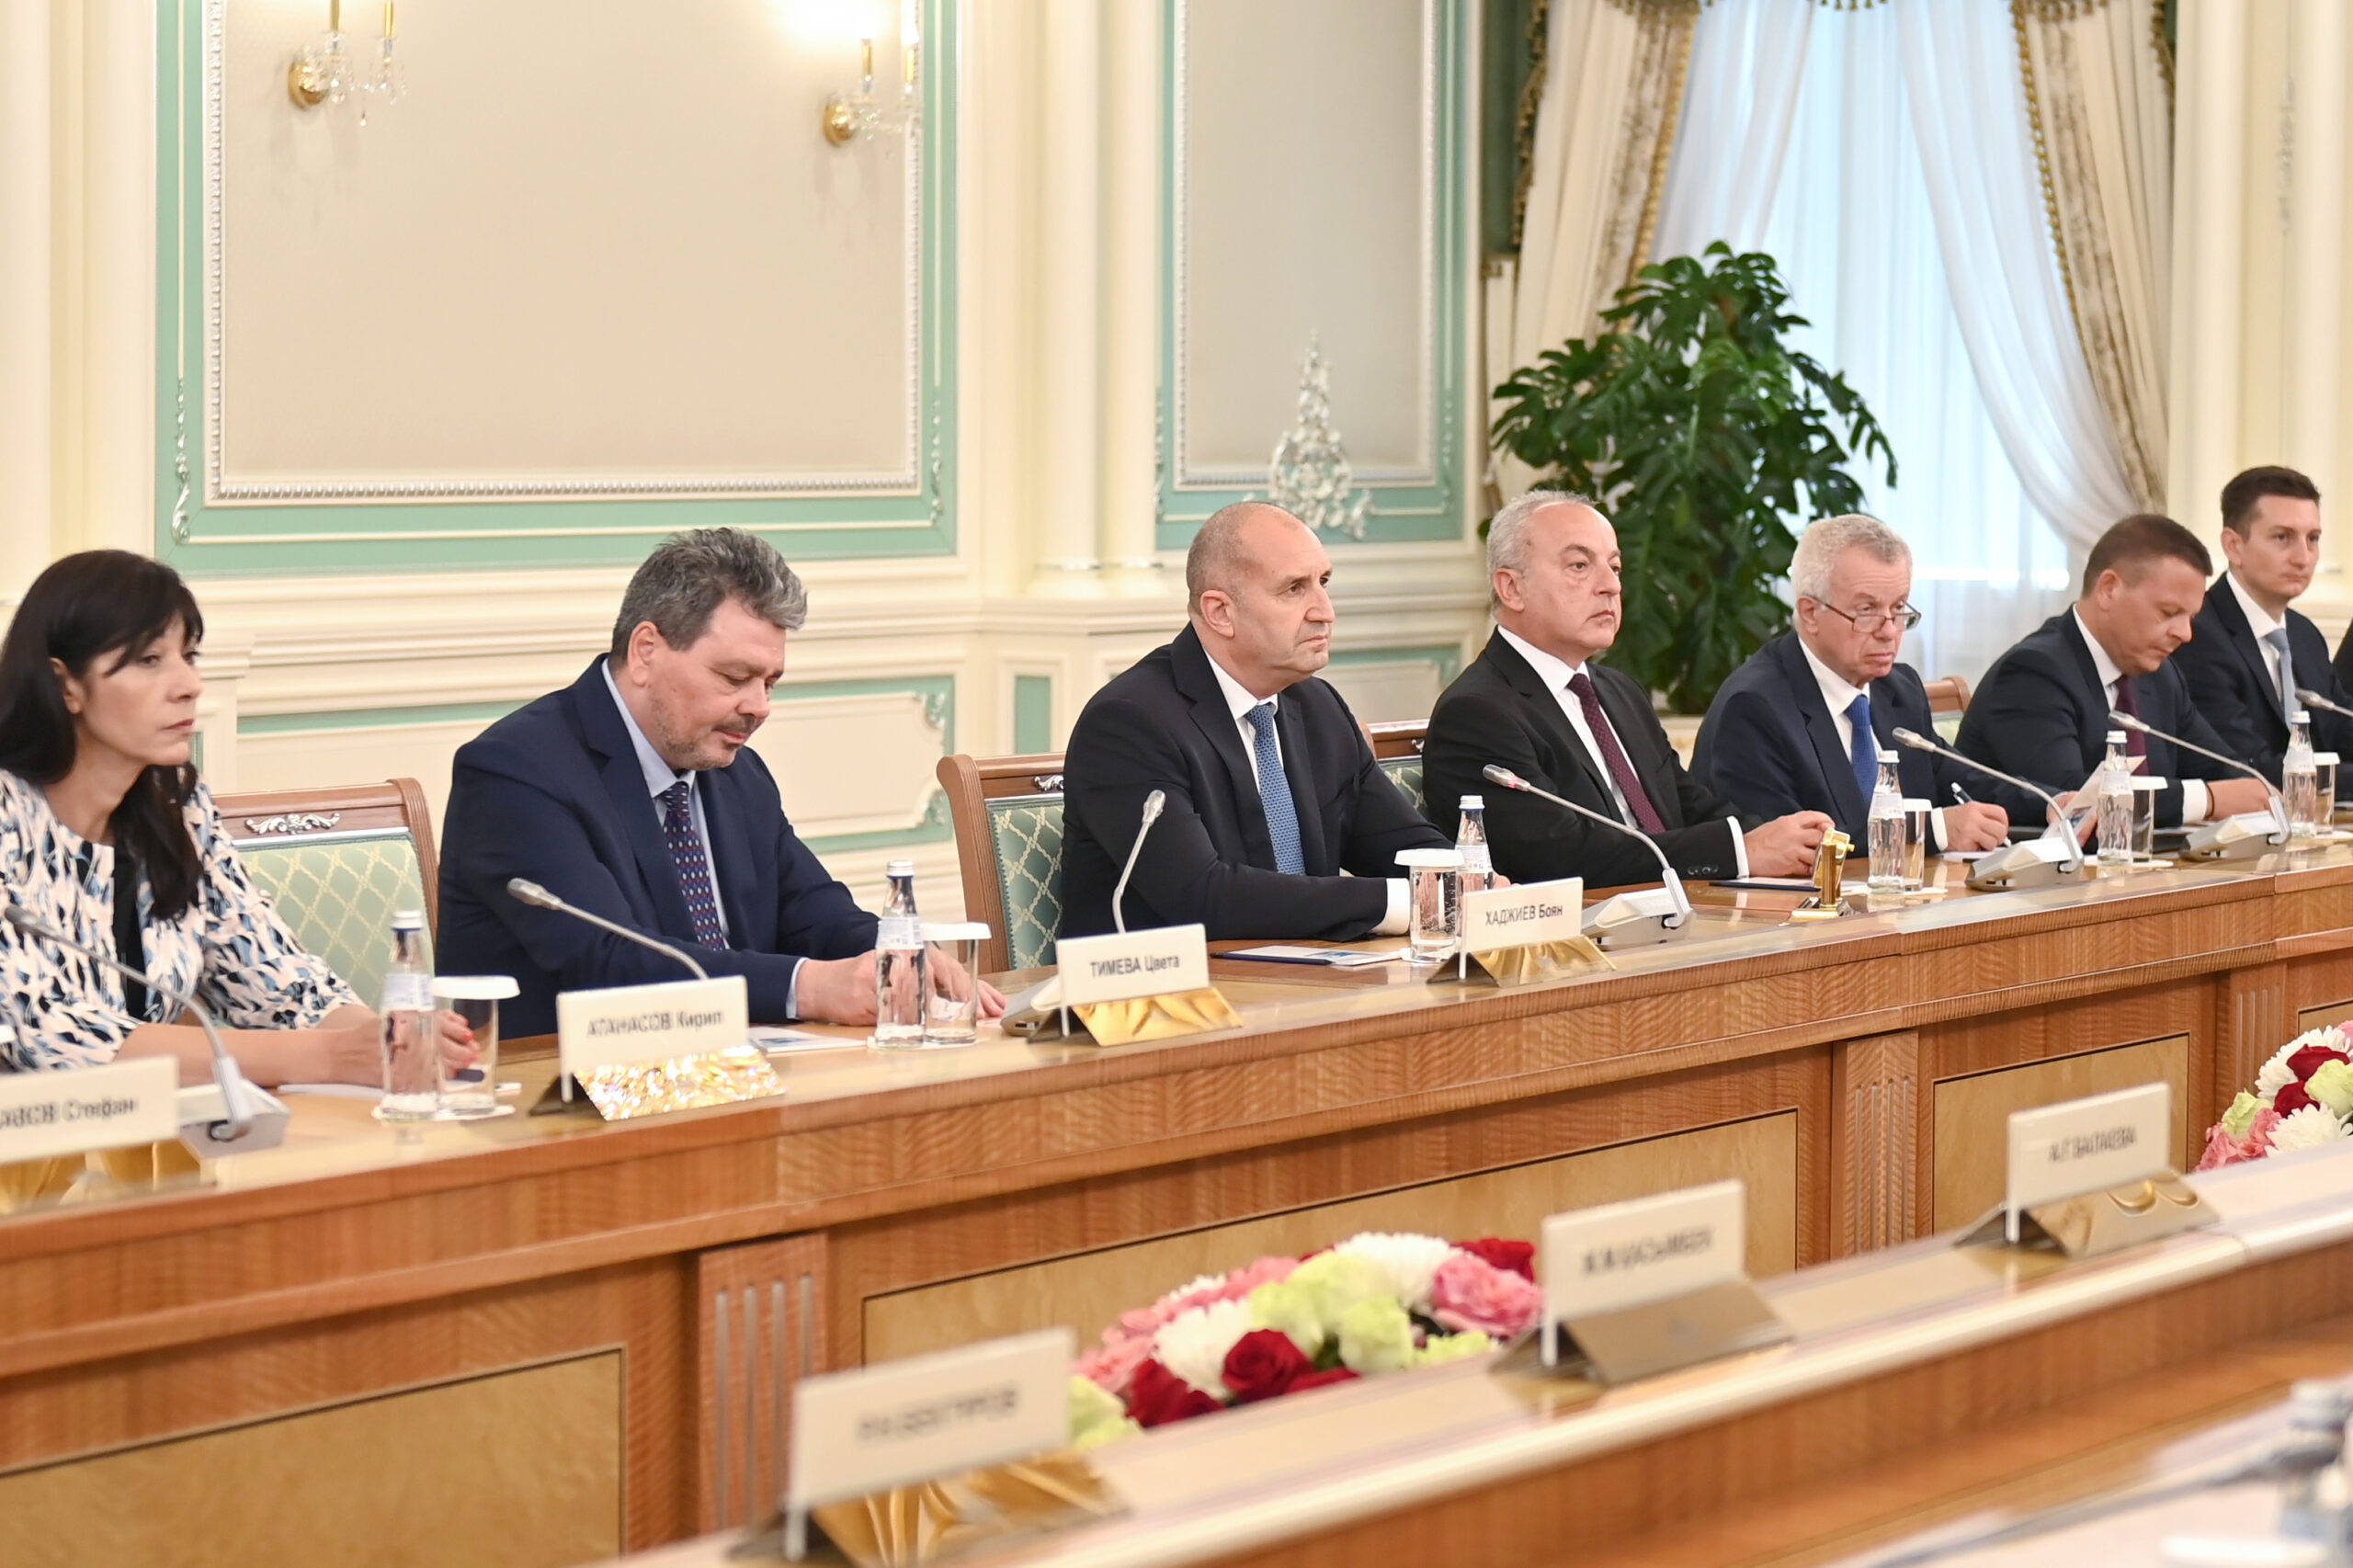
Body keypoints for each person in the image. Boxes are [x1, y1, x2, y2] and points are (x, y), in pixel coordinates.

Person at [439, 529, 985, 1039]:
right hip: (563, 1090)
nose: (759, 707)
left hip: (733, 1072)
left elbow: (813, 911)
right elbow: (611, 964)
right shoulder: (516, 772)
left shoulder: (735, 772)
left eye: (770, 683)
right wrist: (810, 987)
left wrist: (898, 956)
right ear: (646, 651)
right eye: (735, 678)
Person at [0, 551, 471, 1082]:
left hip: (158, 1126)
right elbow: (47, 1034)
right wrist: (333, 1057)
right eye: (150, 660)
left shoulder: (176, 810)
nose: (189, 684)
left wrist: (393, 1041)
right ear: (65, 685)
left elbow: (280, 983)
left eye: (188, 656)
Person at [1058, 502, 1449, 940]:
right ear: (1220, 613)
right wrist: (1405, 902)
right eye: (1294, 589)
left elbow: (1408, 849)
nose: (1325, 611)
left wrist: (1471, 884)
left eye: (1323, 582)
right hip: (1174, 981)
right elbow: (1203, 898)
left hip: (1304, 974)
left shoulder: (1319, 708)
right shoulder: (1129, 724)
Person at [1422, 492, 1833, 888]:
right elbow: (1560, 858)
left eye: (1615, 567)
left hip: (1681, 910)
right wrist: (1741, 852)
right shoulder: (1477, 713)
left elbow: (1690, 806)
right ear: (1512, 588)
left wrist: (1785, 842)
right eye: (1580, 566)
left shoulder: (1619, 692)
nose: (1611, 586)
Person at [1694, 515, 2010, 850]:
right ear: (1810, 613)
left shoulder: (1898, 689)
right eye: (1867, 610)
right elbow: (1788, 849)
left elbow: (1970, 784)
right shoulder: (1754, 707)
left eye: (1898, 608)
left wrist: (2048, 803)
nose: (1889, 631)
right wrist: (1932, 831)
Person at [1957, 515, 2273, 830]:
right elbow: (2074, 802)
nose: (2185, 634)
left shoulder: (2160, 676)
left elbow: (2227, 770)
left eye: (2190, 617)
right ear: (2109, 590)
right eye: (2169, 612)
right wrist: (2207, 799)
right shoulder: (2033, 673)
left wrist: (2253, 790)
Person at [2177, 467, 2353, 783]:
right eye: (2282, 537)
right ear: (2233, 546)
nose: (2303, 558)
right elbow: (2251, 767)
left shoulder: (2304, 634)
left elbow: (2341, 730)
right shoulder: (2198, 635)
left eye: (2312, 539)